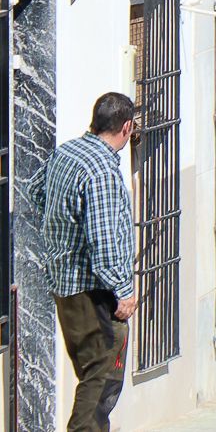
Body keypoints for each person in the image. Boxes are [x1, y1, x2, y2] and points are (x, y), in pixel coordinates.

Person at [30, 93, 138, 432]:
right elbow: (103, 240)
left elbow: (35, 191)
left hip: (65, 284)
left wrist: (63, 230)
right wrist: (124, 290)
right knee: (102, 377)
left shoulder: (66, 152)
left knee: (94, 375)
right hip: (94, 290)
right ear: (126, 127)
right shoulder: (101, 169)